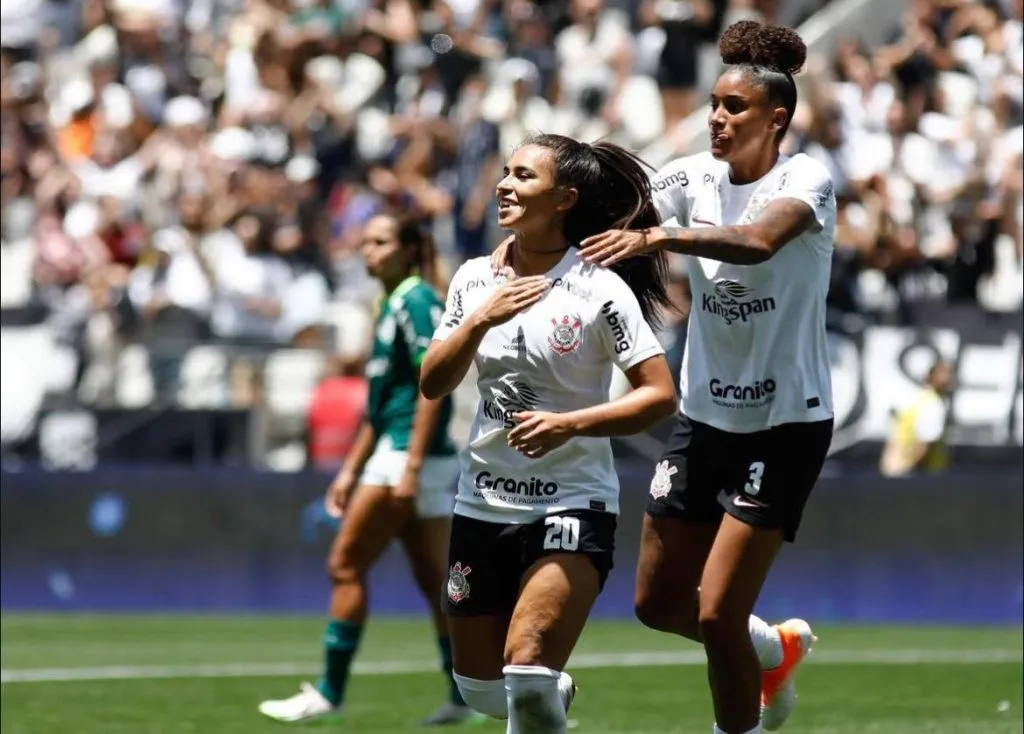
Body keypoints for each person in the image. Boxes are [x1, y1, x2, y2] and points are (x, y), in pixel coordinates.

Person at [578, 20, 837, 734]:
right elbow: (628, 214)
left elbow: (756, 241)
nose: (718, 119)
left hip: (784, 425)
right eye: (715, 105)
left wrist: (660, 235)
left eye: (735, 108)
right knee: (658, 604)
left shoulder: (806, 179)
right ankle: (770, 647)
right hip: (703, 420)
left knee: (719, 607)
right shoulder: (691, 174)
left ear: (775, 118)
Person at [419, 133, 678, 734]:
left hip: (570, 502)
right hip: (480, 502)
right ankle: (542, 697)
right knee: (484, 693)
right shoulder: (472, 278)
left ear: (564, 198)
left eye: (523, 177)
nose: (504, 185)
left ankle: (539, 688)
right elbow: (433, 381)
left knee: (527, 668)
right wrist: (481, 318)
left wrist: (570, 424)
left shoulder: (599, 286)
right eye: (505, 172)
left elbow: (660, 394)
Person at [258, 213, 476, 726]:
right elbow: (379, 408)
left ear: (406, 249)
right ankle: (466, 695)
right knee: (434, 582)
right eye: (365, 242)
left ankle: (330, 692)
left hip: (408, 456)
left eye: (380, 242)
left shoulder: (417, 300)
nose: (368, 251)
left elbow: (434, 386)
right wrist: (348, 472)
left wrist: (411, 466)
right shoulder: (390, 303)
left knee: (345, 564)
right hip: (402, 455)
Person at [879, 360, 952, 477]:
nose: (948, 379)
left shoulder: (913, 399)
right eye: (944, 374)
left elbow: (894, 437)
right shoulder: (934, 405)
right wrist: (906, 469)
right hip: (922, 474)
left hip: (899, 470)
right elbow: (924, 444)